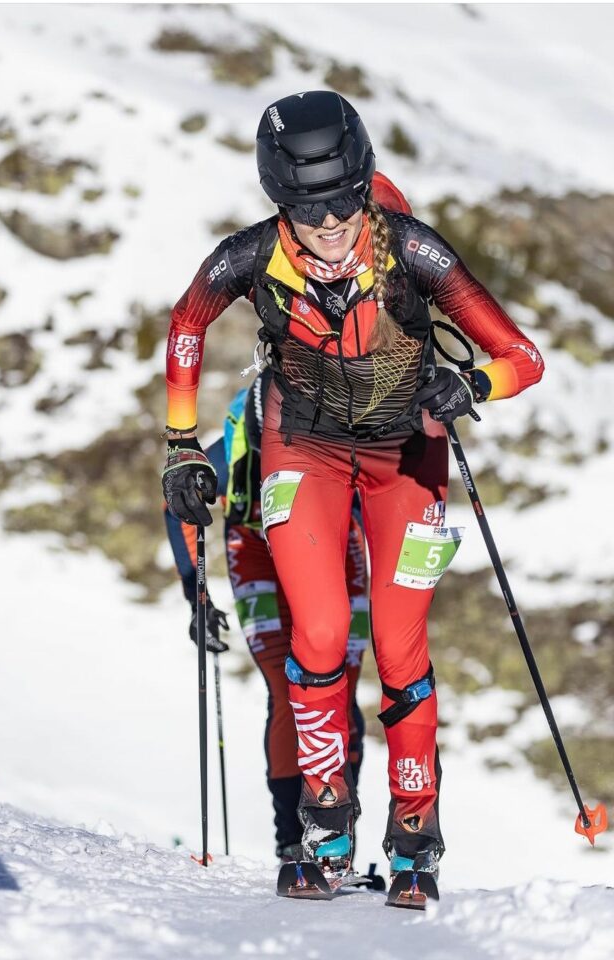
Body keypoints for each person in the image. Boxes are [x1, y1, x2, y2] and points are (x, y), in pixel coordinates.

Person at [161, 91, 544, 881]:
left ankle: (415, 833)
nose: (331, 222)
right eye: (309, 208)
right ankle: (324, 821)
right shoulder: (249, 255)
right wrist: (179, 441)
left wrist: (474, 382)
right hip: (302, 449)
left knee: (401, 648)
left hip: (407, 455)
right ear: (280, 202)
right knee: (321, 632)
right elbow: (188, 323)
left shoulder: (409, 248)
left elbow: (524, 356)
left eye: (344, 201)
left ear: (365, 184)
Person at [163, 368, 371, 861]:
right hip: (256, 544)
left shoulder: (343, 433)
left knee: (340, 685)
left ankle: (339, 834)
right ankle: (291, 839)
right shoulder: (233, 448)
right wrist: (198, 598)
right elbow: (179, 508)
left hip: (336, 543)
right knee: (286, 686)